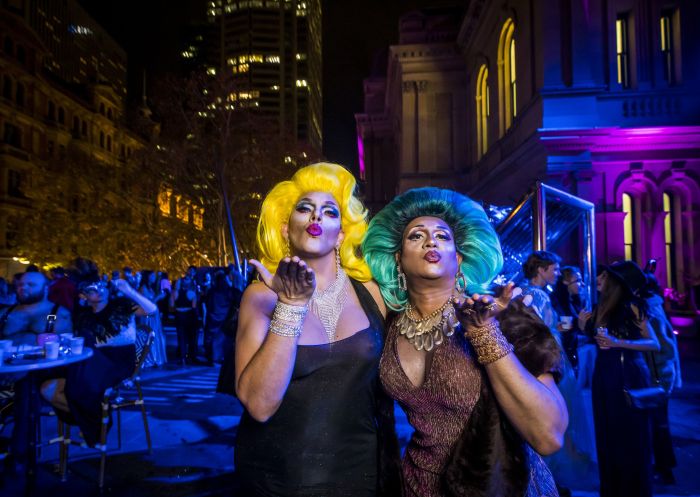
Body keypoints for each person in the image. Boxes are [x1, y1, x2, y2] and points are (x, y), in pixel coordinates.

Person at [362, 187, 567, 497]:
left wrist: (484, 333)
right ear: (398, 259)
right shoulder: (387, 325)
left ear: (458, 258)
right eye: (416, 236)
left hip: (498, 484)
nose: (431, 241)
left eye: (443, 236)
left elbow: (548, 436)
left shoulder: (506, 315)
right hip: (417, 485)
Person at [234, 162, 400, 496]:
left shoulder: (372, 292)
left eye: (329, 212)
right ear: (285, 228)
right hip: (278, 479)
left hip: (363, 475)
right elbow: (259, 404)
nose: (315, 218)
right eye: (304, 209)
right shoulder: (260, 296)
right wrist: (291, 306)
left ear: (341, 234)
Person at [40, 273, 157, 447]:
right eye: (91, 290)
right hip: (89, 363)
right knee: (47, 388)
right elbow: (60, 328)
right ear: (83, 296)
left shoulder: (121, 305)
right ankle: (99, 418)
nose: (99, 291)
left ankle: (95, 425)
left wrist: (129, 290)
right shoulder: (82, 315)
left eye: (101, 286)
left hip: (119, 362)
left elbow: (151, 310)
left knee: (73, 381)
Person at [580, 260, 660, 497]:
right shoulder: (599, 306)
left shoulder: (632, 307)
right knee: (607, 435)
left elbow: (653, 343)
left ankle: (633, 491)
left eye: (606, 276)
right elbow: (599, 341)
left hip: (628, 375)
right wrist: (584, 326)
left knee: (630, 437)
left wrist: (619, 343)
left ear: (616, 282)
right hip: (605, 374)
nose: (600, 279)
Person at [521, 254, 598, 492]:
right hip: (549, 358)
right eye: (553, 269)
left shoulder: (529, 292)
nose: (557, 273)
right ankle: (550, 478)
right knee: (557, 415)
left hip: (544, 356)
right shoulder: (539, 295)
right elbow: (542, 331)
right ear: (541, 270)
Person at [643, 270, 681, 484]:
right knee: (659, 424)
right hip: (659, 375)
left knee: (659, 425)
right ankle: (663, 467)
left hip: (658, 376)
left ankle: (665, 468)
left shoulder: (651, 311)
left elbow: (665, 348)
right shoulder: (653, 307)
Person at [0, 272, 72, 345]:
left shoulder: (60, 315)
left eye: (31, 285)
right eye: (20, 284)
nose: (23, 287)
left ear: (45, 288)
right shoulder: (5, 313)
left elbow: (66, 347)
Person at [138, 270, 168, 367]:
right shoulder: (143, 288)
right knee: (149, 335)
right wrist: (158, 297)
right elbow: (147, 304)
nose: (154, 278)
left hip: (154, 316)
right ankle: (148, 358)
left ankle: (155, 357)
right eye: (152, 276)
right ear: (147, 277)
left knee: (156, 335)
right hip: (148, 317)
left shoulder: (150, 287)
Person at [170, 266, 199, 365]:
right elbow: (194, 307)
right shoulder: (192, 293)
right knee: (190, 337)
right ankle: (190, 357)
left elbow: (171, 306)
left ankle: (182, 358)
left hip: (179, 315)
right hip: (189, 315)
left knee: (181, 337)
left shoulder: (175, 293)